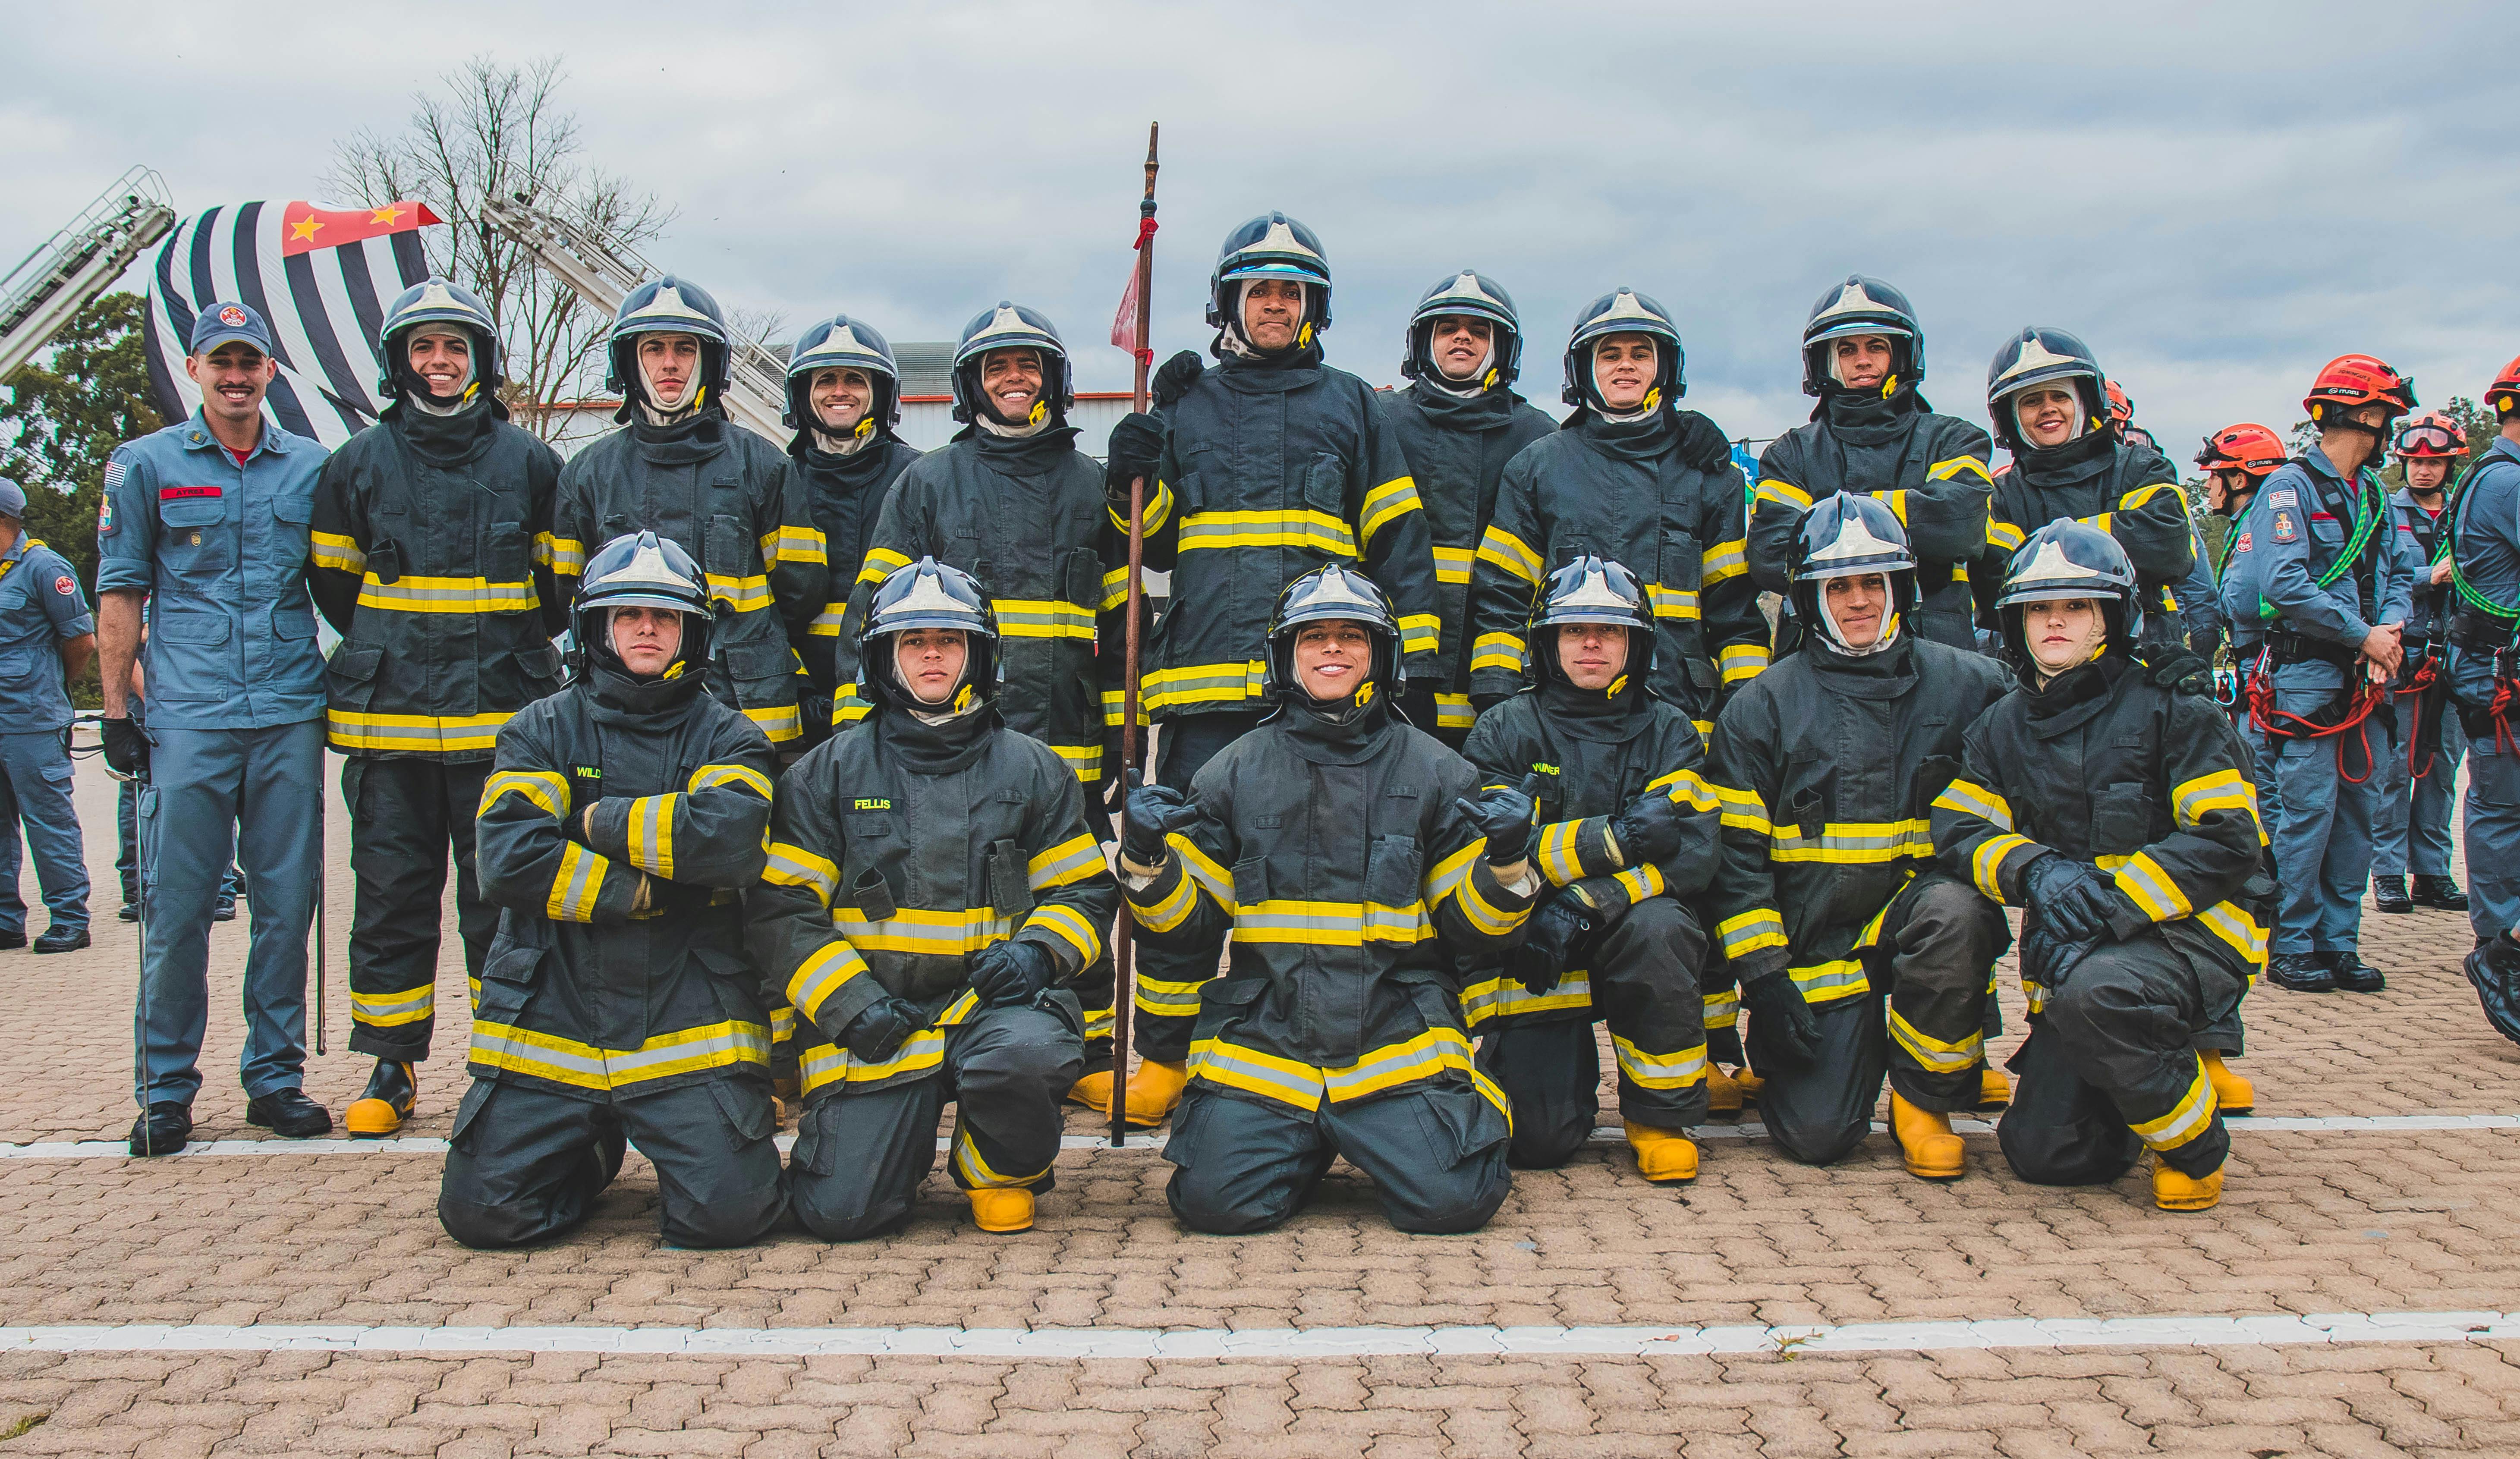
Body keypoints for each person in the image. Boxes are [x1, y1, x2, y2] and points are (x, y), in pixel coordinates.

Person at [1098, 212, 1443, 1125]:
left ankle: (1316, 1048)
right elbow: (1154, 534)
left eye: (1292, 293)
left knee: (1316, 877)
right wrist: (1129, 462)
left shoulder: (1353, 405)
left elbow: (1400, 541)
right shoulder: (1185, 401)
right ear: (1230, 303)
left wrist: (1410, 674)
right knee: (1184, 876)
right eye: (1261, 292)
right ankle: (1161, 1060)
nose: (1277, 307)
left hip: (1329, 694)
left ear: (1313, 307)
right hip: (1209, 683)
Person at [1119, 564, 1539, 1234]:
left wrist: (1508, 860)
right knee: (1212, 1208)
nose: (1334, 649)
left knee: (1457, 1203)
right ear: (1285, 657)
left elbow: (1477, 931)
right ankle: (1305, 1137)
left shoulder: (1438, 770)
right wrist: (1146, 858)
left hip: (1394, 1035)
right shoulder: (1231, 769)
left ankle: (1459, 1098)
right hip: (1270, 1037)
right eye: (1314, 637)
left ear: (1383, 655)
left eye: (1352, 636)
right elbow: (1186, 925)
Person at [749, 557, 1116, 1238]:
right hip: (878, 1019)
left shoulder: (1035, 769)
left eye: (949, 641)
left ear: (979, 653)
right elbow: (782, 912)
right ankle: (896, 1135)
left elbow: (1084, 890)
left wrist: (1038, 954)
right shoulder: (823, 774)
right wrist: (850, 1006)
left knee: (1029, 1056)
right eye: (913, 642)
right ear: (882, 658)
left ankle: (997, 1167)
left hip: (997, 1010)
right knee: (843, 1215)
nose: (931, 656)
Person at [438, 531, 785, 1249]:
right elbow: (506, 859)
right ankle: (588, 1148)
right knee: (485, 1215)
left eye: (665, 616)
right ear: (593, 627)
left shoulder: (732, 738)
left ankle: (632, 1132)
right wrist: (645, 892)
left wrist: (589, 819)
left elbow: (725, 840)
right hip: (551, 1018)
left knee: (728, 1217)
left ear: (695, 631)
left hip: (688, 1023)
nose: (647, 628)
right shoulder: (537, 729)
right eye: (627, 614)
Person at [838, 303, 1126, 1107]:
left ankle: (1093, 1047)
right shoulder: (927, 481)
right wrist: (852, 731)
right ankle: (957, 1037)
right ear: (971, 383)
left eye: (1029, 365)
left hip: (1064, 732)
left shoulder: (1089, 484)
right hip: (950, 741)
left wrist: (1121, 745)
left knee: (1075, 887)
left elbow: (1116, 623)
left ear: (1054, 381)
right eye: (997, 366)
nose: (1014, 378)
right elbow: (873, 609)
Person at [1935, 522, 2270, 1212]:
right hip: (2085, 947)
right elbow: (1961, 829)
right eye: (2037, 607)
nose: (2054, 620)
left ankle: (2194, 1147)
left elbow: (2228, 840)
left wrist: (2111, 903)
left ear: (2112, 619)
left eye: (2076, 605)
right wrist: (2034, 872)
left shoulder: (2173, 707)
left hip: (2189, 931)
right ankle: (2141, 1077)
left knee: (2100, 996)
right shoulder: (2002, 726)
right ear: (2015, 622)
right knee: (2046, 1154)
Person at [306, 279, 566, 1138]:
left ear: (481, 361)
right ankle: (392, 1059)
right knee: (390, 897)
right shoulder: (356, 464)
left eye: (456, 347)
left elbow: (559, 587)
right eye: (424, 347)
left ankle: (509, 1056)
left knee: (502, 902)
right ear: (398, 362)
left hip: (503, 727)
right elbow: (335, 582)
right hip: (392, 730)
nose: (441, 362)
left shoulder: (530, 464)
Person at [1708, 496, 2011, 1177]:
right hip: (1821, 951)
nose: (1857, 601)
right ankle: (1853, 1047)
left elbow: (2063, 720)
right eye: (1837, 586)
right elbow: (1739, 864)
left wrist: (2140, 681)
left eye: (1872, 582)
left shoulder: (1975, 686)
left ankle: (1922, 1098)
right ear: (1809, 597)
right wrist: (1763, 980)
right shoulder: (1760, 705)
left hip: (1924, 930)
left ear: (1899, 587)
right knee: (1818, 1137)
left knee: (1956, 909)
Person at [98, 301, 331, 1156]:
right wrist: (119, 708)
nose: (236, 377)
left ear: (271, 371)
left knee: (286, 906)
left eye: (251, 363)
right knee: (178, 910)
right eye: (220, 362)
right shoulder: (146, 466)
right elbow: (120, 591)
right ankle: (164, 1090)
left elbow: (338, 589)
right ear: (194, 368)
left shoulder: (311, 468)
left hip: (286, 714)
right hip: (188, 720)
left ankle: (275, 1079)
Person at [1459, 556, 1721, 1180]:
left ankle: (1659, 1117)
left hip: (1626, 925)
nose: (1593, 644)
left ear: (1638, 644)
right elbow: (1490, 850)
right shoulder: (1503, 728)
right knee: (1537, 1144)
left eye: (1610, 630)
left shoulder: (1671, 731)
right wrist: (1617, 842)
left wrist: (1592, 900)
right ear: (1547, 643)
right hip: (1535, 938)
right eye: (1575, 630)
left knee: (1663, 926)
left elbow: (1694, 850)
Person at [547, 277, 826, 752]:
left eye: (685, 348)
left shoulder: (762, 465)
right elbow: (565, 591)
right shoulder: (589, 474)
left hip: (749, 704)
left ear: (710, 362)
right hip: (625, 708)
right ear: (629, 363)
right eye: (654, 348)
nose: (670, 363)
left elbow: (802, 589)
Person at [1468, 287, 1765, 734]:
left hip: (1682, 717)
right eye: (1610, 355)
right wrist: (1498, 691)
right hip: (1559, 719)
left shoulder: (1709, 474)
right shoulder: (1537, 468)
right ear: (1584, 370)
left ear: (1664, 368)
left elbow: (1735, 612)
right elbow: (1502, 596)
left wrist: (1748, 709)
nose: (1626, 365)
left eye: (1641, 354)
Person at [2219, 355, 2418, 995]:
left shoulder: (2376, 496)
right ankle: (2294, 942)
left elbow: (2396, 577)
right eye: (2385, 411)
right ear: (2359, 412)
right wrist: (2363, 635)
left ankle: (2339, 941)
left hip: (2366, 680)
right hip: (2306, 678)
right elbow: (2283, 583)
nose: (2390, 424)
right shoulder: (2288, 489)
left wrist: (2385, 634)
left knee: (2360, 812)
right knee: (2309, 815)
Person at [1749, 274, 1994, 653]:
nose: (1862, 360)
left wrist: (1829, 516)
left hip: (1938, 656)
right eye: (1846, 350)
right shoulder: (1790, 453)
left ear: (1902, 355)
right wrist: (1910, 514)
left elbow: (1957, 527)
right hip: (1814, 661)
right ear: (1824, 362)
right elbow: (1770, 555)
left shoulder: (1953, 439)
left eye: (1876, 347)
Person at [1380, 271, 1559, 747]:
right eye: (1448, 327)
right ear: (1423, 343)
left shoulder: (1539, 437)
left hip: (1499, 677)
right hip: (1393, 672)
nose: (1463, 337)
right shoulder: (1381, 420)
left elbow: (1601, 449)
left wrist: (1681, 430)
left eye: (1479, 330)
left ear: (1503, 348)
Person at [1982, 328, 2199, 663]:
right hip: (2039, 670)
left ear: (2085, 401)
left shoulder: (2141, 469)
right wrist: (2111, 537)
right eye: (2031, 401)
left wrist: (2046, 542)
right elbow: (1995, 577)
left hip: (2146, 659)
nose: (2047, 409)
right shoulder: (2001, 495)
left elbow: (2168, 547)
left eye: (2059, 397)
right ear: (2009, 417)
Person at [786, 314, 922, 740]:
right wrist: (796, 684)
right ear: (803, 395)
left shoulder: (920, 478)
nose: (840, 391)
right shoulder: (778, 480)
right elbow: (759, 605)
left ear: (881, 393)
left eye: (855, 380)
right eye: (826, 379)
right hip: (796, 702)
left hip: (900, 697)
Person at [2445, 354, 2520, 1043]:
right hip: (2501, 677)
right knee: (2502, 808)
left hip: (2496, 670)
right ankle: (2503, 949)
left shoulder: (2491, 477)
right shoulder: (2508, 484)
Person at [2370, 411, 2468, 915]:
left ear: (2451, 464)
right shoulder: (2386, 513)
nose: (2424, 470)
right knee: (2394, 768)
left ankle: (2432, 871)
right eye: (2416, 461)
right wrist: (2432, 576)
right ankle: (2387, 872)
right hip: (2403, 659)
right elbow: (2379, 580)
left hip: (2454, 657)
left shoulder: (2464, 514)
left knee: (2441, 766)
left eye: (2435, 462)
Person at [0, 476, 94, 952]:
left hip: (32, 717)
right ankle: (5, 921)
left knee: (48, 819)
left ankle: (70, 918)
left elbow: (80, 641)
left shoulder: (44, 567)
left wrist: (55, 689)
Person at [111, 646, 241, 925]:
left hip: (197, 704)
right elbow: (118, 635)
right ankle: (144, 888)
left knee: (210, 798)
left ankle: (221, 889)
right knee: (142, 806)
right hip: (148, 710)